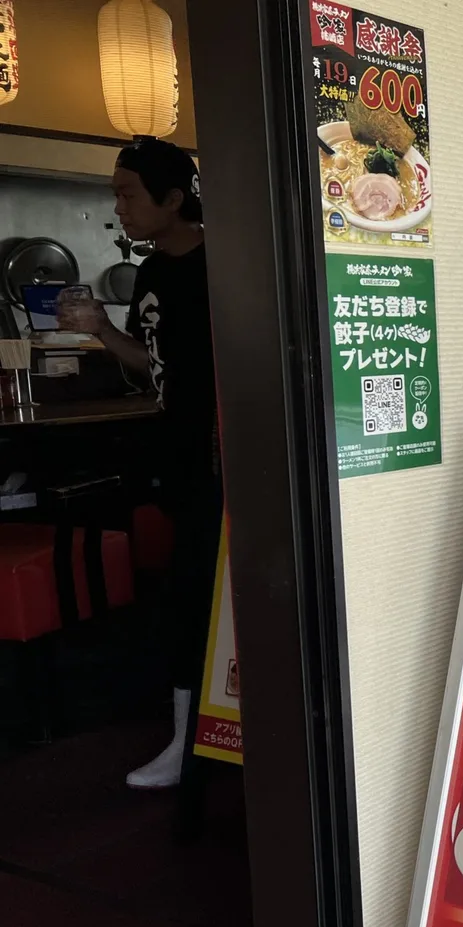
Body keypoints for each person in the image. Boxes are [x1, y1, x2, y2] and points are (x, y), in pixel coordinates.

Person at [63, 137, 221, 789]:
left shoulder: (224, 262)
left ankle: (202, 744)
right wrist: (100, 328)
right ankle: (185, 742)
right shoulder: (151, 273)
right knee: (186, 594)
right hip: (178, 454)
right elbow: (152, 366)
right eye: (116, 194)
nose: (119, 207)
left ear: (173, 199)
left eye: (128, 193)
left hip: (229, 457)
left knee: (207, 596)